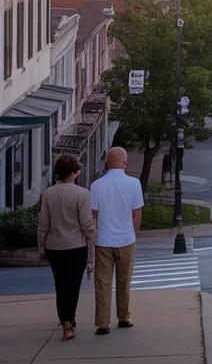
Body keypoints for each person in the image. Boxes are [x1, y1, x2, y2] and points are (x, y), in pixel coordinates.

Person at [37, 153, 96, 341]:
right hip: (76, 246)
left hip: (54, 246)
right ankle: (70, 321)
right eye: (77, 169)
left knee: (60, 285)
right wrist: (93, 237)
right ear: (72, 172)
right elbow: (87, 224)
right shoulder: (82, 194)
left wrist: (41, 248)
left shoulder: (48, 193)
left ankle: (66, 321)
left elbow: (43, 225)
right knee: (73, 286)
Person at [90, 146, 144, 335]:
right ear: (125, 162)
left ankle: (102, 323)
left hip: (103, 240)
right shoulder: (134, 184)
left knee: (103, 282)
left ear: (107, 163)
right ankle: (123, 317)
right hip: (125, 238)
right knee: (124, 281)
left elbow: (93, 215)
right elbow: (136, 214)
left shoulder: (96, 185)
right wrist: (132, 233)